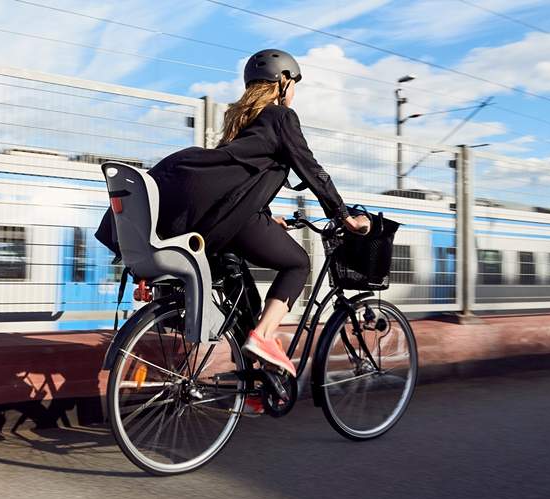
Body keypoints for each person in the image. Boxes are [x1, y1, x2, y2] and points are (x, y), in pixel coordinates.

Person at [97, 49, 369, 377]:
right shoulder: (281, 117)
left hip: (215, 224)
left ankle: (255, 380)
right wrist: (344, 216)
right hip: (233, 223)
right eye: (294, 83)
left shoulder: (242, 121)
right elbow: (310, 167)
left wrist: (267, 215)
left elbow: (240, 177)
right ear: (282, 82)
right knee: (298, 263)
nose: (294, 90)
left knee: (242, 294)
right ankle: (265, 337)